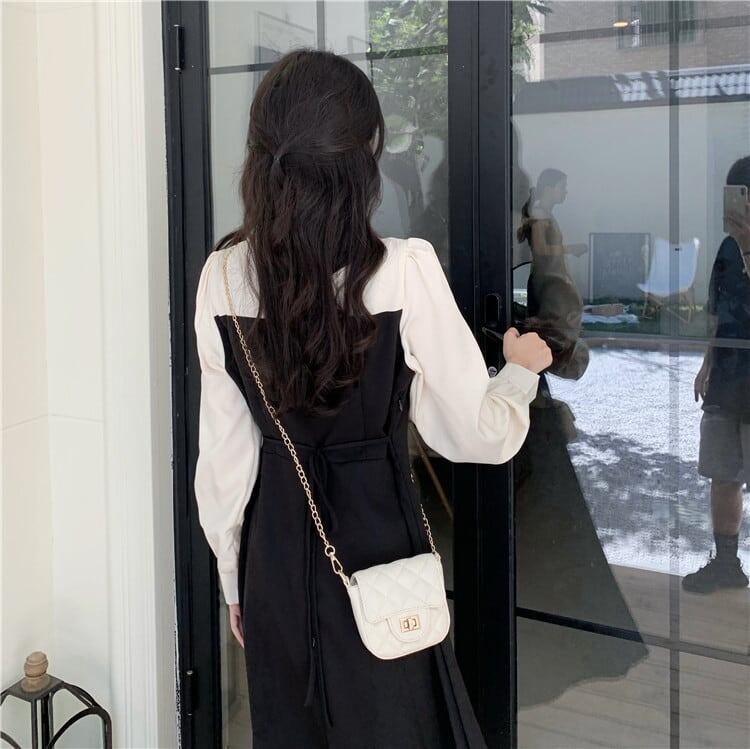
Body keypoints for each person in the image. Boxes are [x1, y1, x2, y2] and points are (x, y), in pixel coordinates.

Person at [192, 49, 551, 748]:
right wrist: (517, 373)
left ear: (262, 156)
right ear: (365, 158)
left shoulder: (222, 277)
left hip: (276, 553)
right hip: (381, 549)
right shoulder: (405, 270)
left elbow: (225, 461)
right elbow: (475, 434)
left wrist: (235, 579)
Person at [683, 156, 750, 594]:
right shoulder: (726, 250)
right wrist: (706, 364)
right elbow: (718, 314)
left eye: (741, 195)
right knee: (723, 474)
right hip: (727, 378)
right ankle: (727, 563)